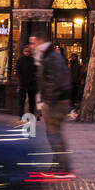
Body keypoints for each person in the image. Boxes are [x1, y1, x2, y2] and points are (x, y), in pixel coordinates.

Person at [30, 33, 74, 175]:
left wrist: (48, 101)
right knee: (52, 133)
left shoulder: (50, 57)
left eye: (33, 42)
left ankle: (62, 166)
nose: (31, 46)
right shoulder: (47, 56)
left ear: (40, 41)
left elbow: (55, 81)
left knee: (54, 133)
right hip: (55, 100)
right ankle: (58, 164)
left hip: (56, 102)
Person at [14, 45, 38, 118]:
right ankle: (21, 115)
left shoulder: (33, 60)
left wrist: (33, 78)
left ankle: (31, 115)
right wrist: (21, 79)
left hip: (31, 84)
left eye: (28, 51)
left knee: (31, 101)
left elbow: (36, 71)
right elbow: (17, 71)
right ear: (23, 52)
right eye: (25, 51)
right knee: (21, 101)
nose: (27, 52)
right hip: (23, 83)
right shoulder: (20, 60)